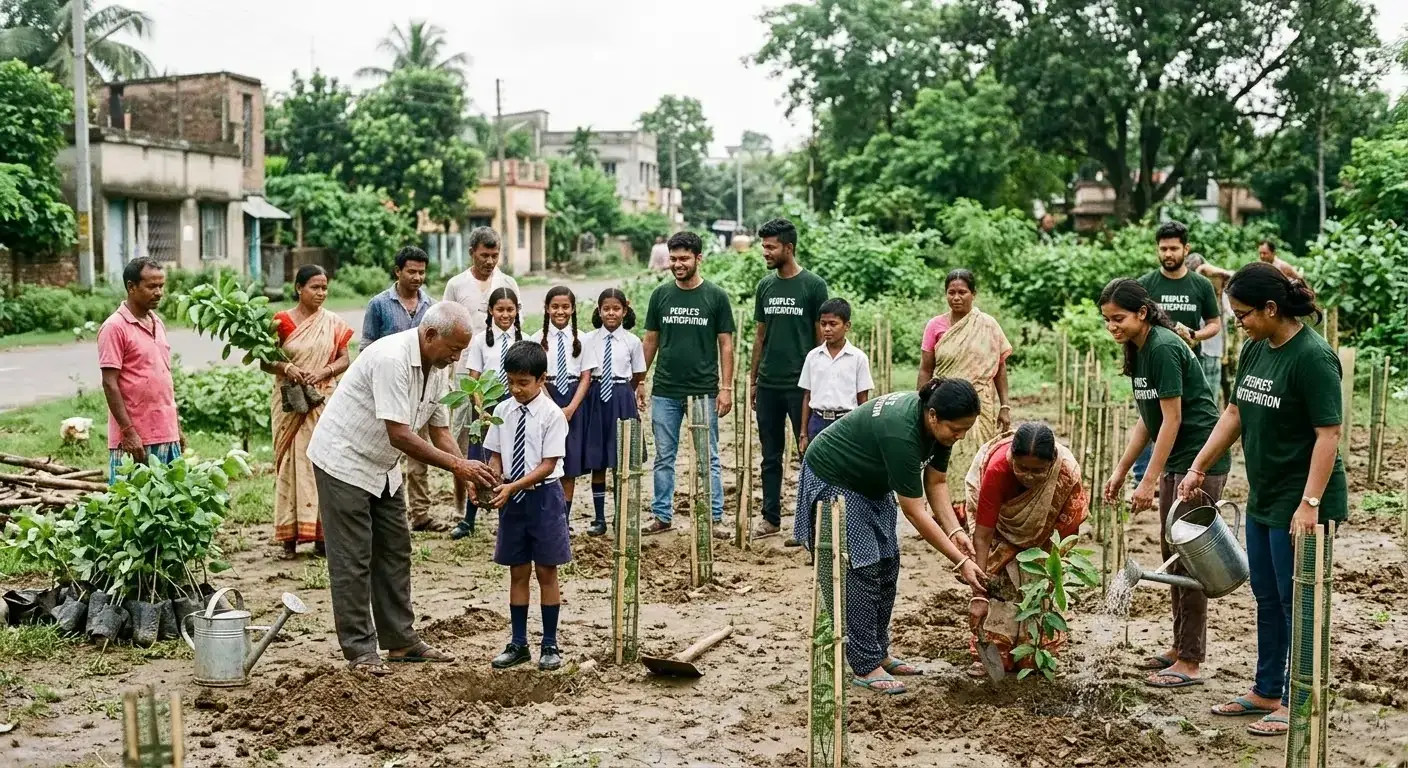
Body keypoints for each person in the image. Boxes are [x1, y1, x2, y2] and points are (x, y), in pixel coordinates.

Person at [1179, 262, 1348, 737]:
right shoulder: (1256, 349)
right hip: (1265, 495)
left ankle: (1300, 701)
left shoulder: (1313, 357)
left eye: (1245, 314)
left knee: (1299, 601)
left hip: (1301, 502)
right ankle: (1267, 688)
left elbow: (1328, 433)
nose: (1240, 323)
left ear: (1272, 309)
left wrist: (1310, 504)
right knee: (1268, 596)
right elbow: (1234, 412)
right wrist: (1198, 466)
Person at [307, 302, 496, 674]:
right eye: (454, 348)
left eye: (462, 350)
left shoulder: (439, 367)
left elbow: (440, 431)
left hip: (382, 467)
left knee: (395, 550)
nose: (457, 357)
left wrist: (466, 476)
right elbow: (400, 435)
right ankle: (360, 649)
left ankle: (400, 641)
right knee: (353, 558)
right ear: (429, 335)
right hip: (344, 460)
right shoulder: (392, 358)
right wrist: (460, 465)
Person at [795, 379, 986, 695]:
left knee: (887, 563)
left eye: (965, 429)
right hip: (836, 477)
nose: (960, 436)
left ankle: (878, 650)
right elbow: (914, 510)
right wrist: (960, 561)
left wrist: (956, 532)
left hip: (872, 483)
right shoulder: (901, 430)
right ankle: (865, 663)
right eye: (956, 429)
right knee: (860, 569)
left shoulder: (942, 427)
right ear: (933, 416)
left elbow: (936, 483)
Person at [1098, 278, 1231, 688]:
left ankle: (1190, 660)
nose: (1112, 327)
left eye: (1118, 318)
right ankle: (1179, 648)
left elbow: (1172, 421)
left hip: (1198, 460)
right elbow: (1148, 417)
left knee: (1189, 558)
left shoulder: (1163, 347)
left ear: (1142, 313)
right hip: (1176, 459)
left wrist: (1147, 481)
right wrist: (1122, 470)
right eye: (1106, 320)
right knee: (1173, 552)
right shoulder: (1139, 349)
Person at [964, 423, 1087, 678]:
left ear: (1052, 462)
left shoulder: (1064, 473)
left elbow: (1068, 524)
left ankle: (1037, 652)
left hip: (1046, 535)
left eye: (1038, 471)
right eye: (1022, 468)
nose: (1029, 477)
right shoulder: (997, 470)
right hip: (1000, 531)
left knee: (1038, 587)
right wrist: (978, 592)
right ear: (1011, 459)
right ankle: (996, 650)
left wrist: (1055, 569)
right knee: (1000, 584)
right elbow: (984, 533)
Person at [484, 341, 573, 672]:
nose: (516, 389)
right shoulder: (502, 411)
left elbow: (549, 465)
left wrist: (512, 486)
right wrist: (492, 476)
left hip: (543, 498)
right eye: (511, 381)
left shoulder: (552, 416)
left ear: (541, 380)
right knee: (517, 571)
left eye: (524, 382)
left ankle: (549, 644)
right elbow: (495, 453)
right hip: (512, 499)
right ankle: (518, 643)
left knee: (546, 571)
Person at [641, 231, 736, 537]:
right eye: (673, 259)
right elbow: (651, 341)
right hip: (666, 390)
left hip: (703, 392)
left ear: (698, 258)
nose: (678, 264)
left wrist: (726, 387)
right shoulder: (661, 295)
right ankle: (662, 515)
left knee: (708, 456)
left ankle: (715, 516)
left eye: (684, 258)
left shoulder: (716, 296)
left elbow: (726, 345)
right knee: (664, 456)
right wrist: (640, 379)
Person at [261, 265, 354, 558]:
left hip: (322, 400)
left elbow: (344, 358)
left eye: (325, 288)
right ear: (298, 288)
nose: (321, 293)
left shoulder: (333, 323)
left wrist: (325, 371)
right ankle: (289, 539)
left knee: (321, 465)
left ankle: (322, 538)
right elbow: (265, 360)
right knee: (290, 464)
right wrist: (288, 367)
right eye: (315, 287)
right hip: (289, 403)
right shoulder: (281, 322)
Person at [750, 218, 829, 540]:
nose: (765, 252)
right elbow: (760, 336)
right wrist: (754, 380)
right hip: (769, 384)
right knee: (770, 455)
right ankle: (770, 518)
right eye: (764, 246)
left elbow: (820, 337)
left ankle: (807, 524)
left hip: (802, 386)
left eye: (771, 247)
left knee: (807, 454)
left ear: (789, 248)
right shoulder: (765, 286)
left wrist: (818, 381)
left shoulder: (813, 286)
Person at [360, 246, 445, 532]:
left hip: (418, 391)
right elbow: (366, 348)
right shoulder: (379, 305)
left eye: (422, 272)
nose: (417, 277)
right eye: (411, 271)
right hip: (387, 390)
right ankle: (382, 514)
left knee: (419, 453)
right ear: (397, 271)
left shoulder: (431, 308)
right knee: (383, 450)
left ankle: (420, 513)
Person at [1132, 222, 1221, 484]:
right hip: (1152, 362)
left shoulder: (1201, 285)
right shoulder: (1145, 284)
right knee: (1149, 415)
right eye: (1163, 249)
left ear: (1186, 248)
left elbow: (1214, 324)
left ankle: (1186, 470)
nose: (1168, 254)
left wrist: (1195, 335)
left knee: (1186, 417)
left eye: (1173, 248)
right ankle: (1144, 477)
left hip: (1191, 362)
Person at [916, 269, 1012, 504]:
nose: (956, 297)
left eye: (962, 292)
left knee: (979, 459)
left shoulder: (988, 325)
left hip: (979, 404)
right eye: (951, 292)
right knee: (942, 459)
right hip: (945, 403)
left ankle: (976, 509)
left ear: (973, 294)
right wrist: (921, 403)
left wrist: (1005, 405)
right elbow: (926, 368)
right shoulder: (935, 326)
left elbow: (999, 368)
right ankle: (945, 513)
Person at [98, 257, 183, 484]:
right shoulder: (114, 327)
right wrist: (128, 432)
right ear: (131, 287)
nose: (159, 292)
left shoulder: (157, 322)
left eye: (161, 286)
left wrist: (176, 427)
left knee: (169, 507)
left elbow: (164, 380)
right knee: (131, 508)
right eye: (151, 286)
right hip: (135, 440)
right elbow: (109, 383)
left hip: (166, 433)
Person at [450, 287, 524, 540]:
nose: (505, 315)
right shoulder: (480, 340)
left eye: (510, 310)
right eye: (500, 310)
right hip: (486, 407)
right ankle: (469, 519)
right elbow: (474, 379)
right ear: (490, 311)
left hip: (515, 406)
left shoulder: (525, 340)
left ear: (517, 311)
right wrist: (481, 411)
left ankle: (510, 520)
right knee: (480, 460)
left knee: (511, 460)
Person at [580, 288, 647, 537]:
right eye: (606, 308)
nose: (611, 313)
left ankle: (621, 515)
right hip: (596, 400)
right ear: (599, 311)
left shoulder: (632, 341)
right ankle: (599, 518)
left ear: (624, 311)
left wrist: (623, 392)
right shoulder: (588, 340)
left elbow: (638, 374)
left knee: (621, 459)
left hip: (621, 398)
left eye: (616, 308)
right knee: (598, 460)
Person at [538, 286, 592, 527]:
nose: (560, 311)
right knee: (546, 458)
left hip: (573, 402)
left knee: (568, 464)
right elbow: (535, 378)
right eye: (555, 306)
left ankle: (563, 519)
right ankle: (545, 515)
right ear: (547, 308)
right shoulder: (535, 339)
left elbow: (586, 377)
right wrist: (552, 406)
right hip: (545, 396)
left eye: (565, 306)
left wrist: (570, 408)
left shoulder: (583, 339)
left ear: (573, 308)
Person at [797, 298, 873, 455]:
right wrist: (803, 432)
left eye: (833, 324)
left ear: (847, 326)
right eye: (823, 324)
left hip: (846, 420)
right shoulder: (813, 356)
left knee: (843, 467)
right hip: (817, 421)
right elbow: (806, 395)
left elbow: (863, 400)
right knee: (818, 467)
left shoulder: (858, 358)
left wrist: (863, 431)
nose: (827, 329)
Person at [443, 226, 520, 340]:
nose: (490, 261)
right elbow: (445, 323)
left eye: (494, 256)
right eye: (484, 255)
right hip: (466, 354)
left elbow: (518, 323)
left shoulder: (508, 284)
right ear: (471, 252)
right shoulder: (455, 285)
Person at [1186, 254, 1235, 407]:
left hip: (1212, 352)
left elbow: (1236, 278)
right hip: (1198, 351)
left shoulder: (1215, 289)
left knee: (1208, 401)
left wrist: (1207, 268)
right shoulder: (1191, 288)